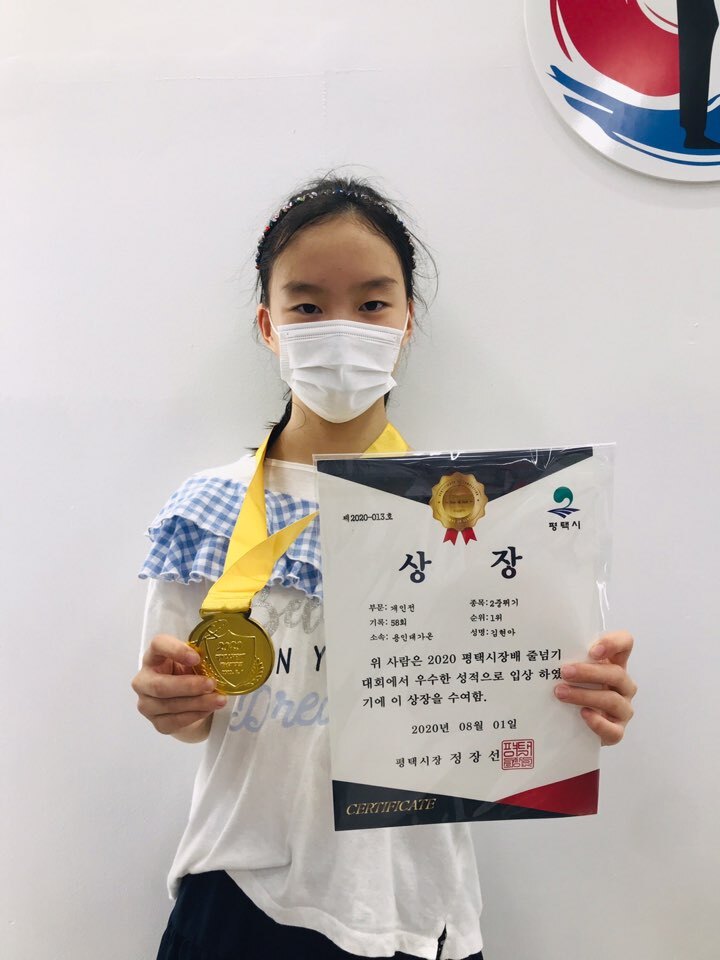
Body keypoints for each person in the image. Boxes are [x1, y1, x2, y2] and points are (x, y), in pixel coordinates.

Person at [131, 172, 638, 960]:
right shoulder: (206, 509)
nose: (341, 329)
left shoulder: (485, 514)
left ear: (407, 321)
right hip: (242, 893)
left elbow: (507, 698)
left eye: (371, 304)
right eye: (307, 306)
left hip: (420, 908)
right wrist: (172, 703)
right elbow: (188, 711)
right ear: (268, 325)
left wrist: (577, 703)